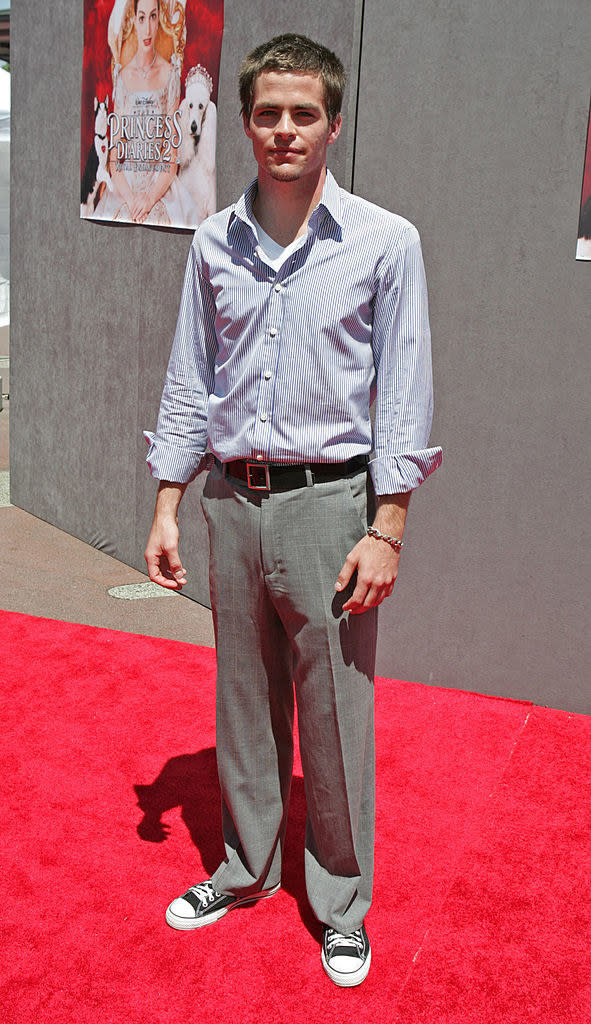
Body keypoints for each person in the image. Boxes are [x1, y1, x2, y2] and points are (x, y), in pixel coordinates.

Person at [144, 34, 442, 987]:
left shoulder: (384, 242)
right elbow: (192, 378)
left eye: (302, 113)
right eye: (267, 112)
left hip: (331, 509)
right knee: (242, 701)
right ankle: (246, 869)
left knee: (333, 711)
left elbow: (403, 392)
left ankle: (341, 899)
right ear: (244, 122)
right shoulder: (212, 244)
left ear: (333, 124)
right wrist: (166, 502)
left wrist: (387, 526)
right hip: (231, 502)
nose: (283, 129)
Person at [95, 0, 198, 226]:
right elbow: (114, 160)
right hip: (126, 183)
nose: (148, 28)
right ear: (134, 20)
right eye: (142, 18)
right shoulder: (123, 78)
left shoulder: (170, 74)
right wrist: (132, 200)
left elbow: (172, 155)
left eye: (153, 16)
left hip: (161, 180)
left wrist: (150, 198)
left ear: (160, 17)